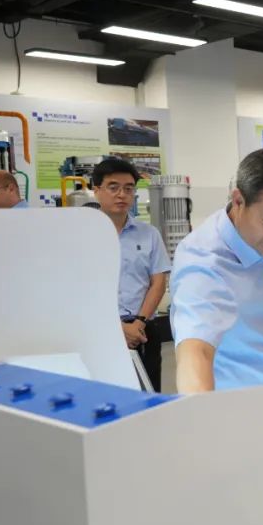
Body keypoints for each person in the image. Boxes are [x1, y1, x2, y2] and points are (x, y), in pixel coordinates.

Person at [170, 147, 263, 394]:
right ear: (239, 200)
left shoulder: (262, 236)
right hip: (239, 404)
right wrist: (199, 410)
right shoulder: (205, 260)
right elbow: (195, 351)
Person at [91, 158, 170, 391]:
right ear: (96, 190)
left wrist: (139, 323)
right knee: (105, 394)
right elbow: (80, 288)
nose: (122, 195)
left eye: (128, 188)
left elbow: (158, 282)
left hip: (143, 331)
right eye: (113, 187)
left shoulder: (149, 234)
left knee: (149, 393)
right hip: (100, 330)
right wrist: (117, 327)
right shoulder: (83, 235)